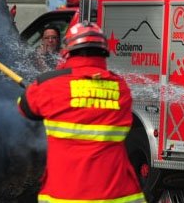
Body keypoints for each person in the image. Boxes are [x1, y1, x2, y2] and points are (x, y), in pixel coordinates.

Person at [17, 22, 146, 203]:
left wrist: (36, 89)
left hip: (64, 194)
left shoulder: (50, 86)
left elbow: (25, 108)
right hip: (118, 194)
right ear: (103, 51)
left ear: (68, 50)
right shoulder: (121, 88)